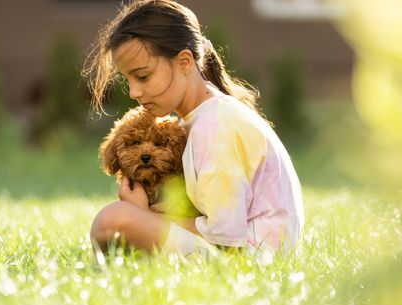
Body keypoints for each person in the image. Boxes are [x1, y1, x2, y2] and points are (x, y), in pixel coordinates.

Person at [84, 0, 304, 257]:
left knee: (115, 220)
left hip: (251, 258)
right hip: (245, 250)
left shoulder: (216, 123)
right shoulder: (204, 117)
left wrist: (142, 215)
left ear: (185, 62)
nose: (134, 92)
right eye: (128, 80)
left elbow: (224, 235)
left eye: (143, 76)